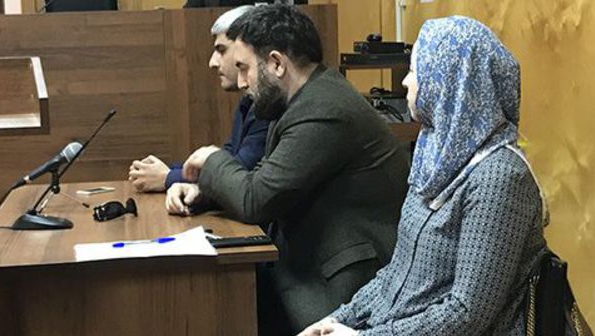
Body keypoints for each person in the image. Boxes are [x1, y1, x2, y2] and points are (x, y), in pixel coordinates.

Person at [166, 4, 410, 334]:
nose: (240, 83)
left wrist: (210, 160)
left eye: (244, 68)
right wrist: (204, 192)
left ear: (277, 64)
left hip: (339, 285)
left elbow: (257, 199)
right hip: (303, 265)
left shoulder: (323, 111)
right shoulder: (297, 103)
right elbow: (267, 181)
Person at [299, 16, 548, 336]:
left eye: (415, 70)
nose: (406, 82)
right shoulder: (436, 153)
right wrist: (337, 320)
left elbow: (467, 313)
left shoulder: (499, 177)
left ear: (449, 80)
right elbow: (397, 275)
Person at [128, 5, 269, 195]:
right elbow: (229, 156)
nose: (212, 62)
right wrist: (170, 171)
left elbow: (240, 171)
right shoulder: (248, 102)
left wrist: (168, 177)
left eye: (221, 50)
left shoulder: (268, 105)